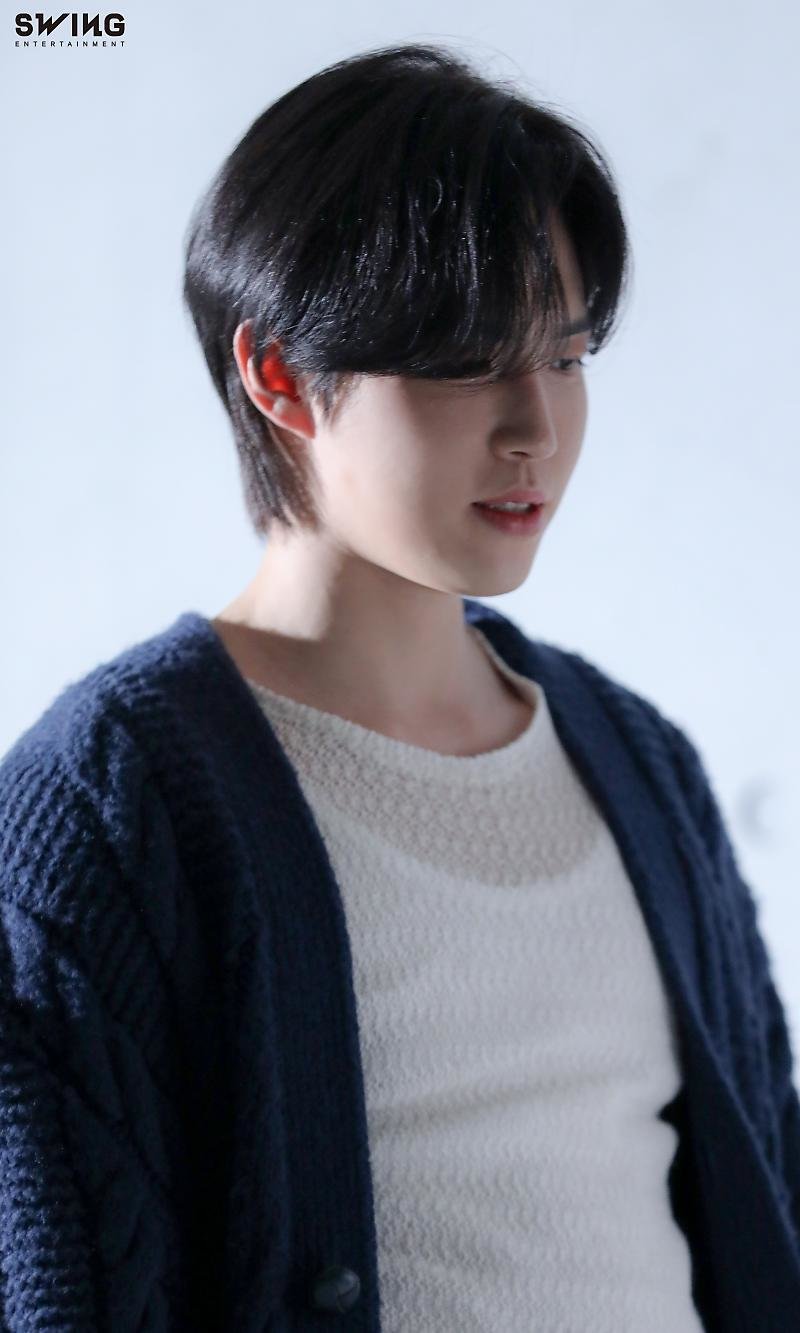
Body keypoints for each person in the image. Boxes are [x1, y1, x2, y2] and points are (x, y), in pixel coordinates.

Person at [0, 41, 798, 1333]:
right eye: (468, 359)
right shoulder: (103, 807)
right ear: (278, 375)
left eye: (567, 355)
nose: (536, 426)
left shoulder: (638, 760)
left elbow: (766, 1207)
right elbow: (65, 1286)